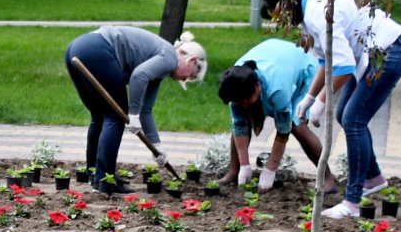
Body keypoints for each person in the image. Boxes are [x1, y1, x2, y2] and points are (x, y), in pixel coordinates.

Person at [297, 0, 401, 219]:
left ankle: (352, 203)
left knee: (354, 120)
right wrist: (309, 97)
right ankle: (373, 177)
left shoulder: (317, 14)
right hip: (372, 52)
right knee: (345, 115)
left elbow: (343, 67)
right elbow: (326, 60)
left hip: (390, 49)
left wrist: (321, 102)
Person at [63, 26, 209, 189]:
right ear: (192, 60)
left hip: (76, 48)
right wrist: (132, 114)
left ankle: (95, 173)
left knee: (99, 116)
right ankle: (104, 179)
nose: (185, 79)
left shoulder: (161, 62)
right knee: (115, 117)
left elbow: (146, 110)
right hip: (98, 49)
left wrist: (157, 146)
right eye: (191, 75)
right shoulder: (170, 57)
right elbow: (139, 76)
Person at [216, 37, 321, 190]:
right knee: (243, 117)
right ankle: (235, 171)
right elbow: (239, 125)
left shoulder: (277, 89)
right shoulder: (235, 81)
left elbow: (283, 130)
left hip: (303, 71)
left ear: (258, 86)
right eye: (240, 100)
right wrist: (245, 165)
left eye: (247, 99)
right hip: (274, 56)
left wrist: (270, 169)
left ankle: (327, 178)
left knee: (296, 124)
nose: (243, 103)